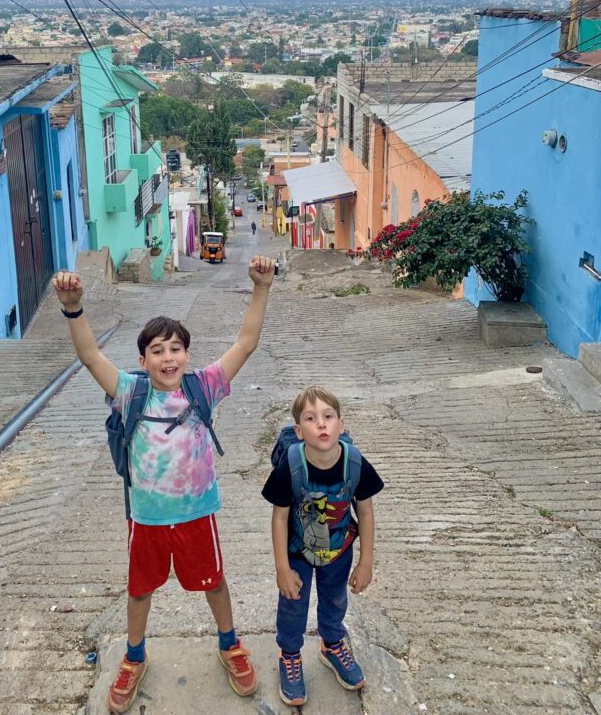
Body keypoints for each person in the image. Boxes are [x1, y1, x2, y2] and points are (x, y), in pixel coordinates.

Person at [52, 256, 276, 714]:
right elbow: (90, 356)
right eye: (157, 350)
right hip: (147, 518)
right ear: (143, 360)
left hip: (197, 515)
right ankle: (134, 656)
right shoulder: (129, 393)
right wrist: (73, 309)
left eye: (175, 348)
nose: (168, 357)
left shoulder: (203, 388)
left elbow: (246, 343)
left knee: (214, 583)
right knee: (139, 589)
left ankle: (230, 644)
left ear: (187, 356)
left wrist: (261, 288)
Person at [261, 386, 383, 707]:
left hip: (339, 551)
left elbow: (366, 512)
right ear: (299, 431)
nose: (321, 424)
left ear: (341, 424)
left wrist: (366, 562)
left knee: (335, 598)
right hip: (297, 551)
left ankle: (331, 643)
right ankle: (290, 654)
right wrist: (282, 568)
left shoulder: (355, 463)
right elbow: (279, 517)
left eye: (328, 416)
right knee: (293, 604)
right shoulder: (291, 466)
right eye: (311, 419)